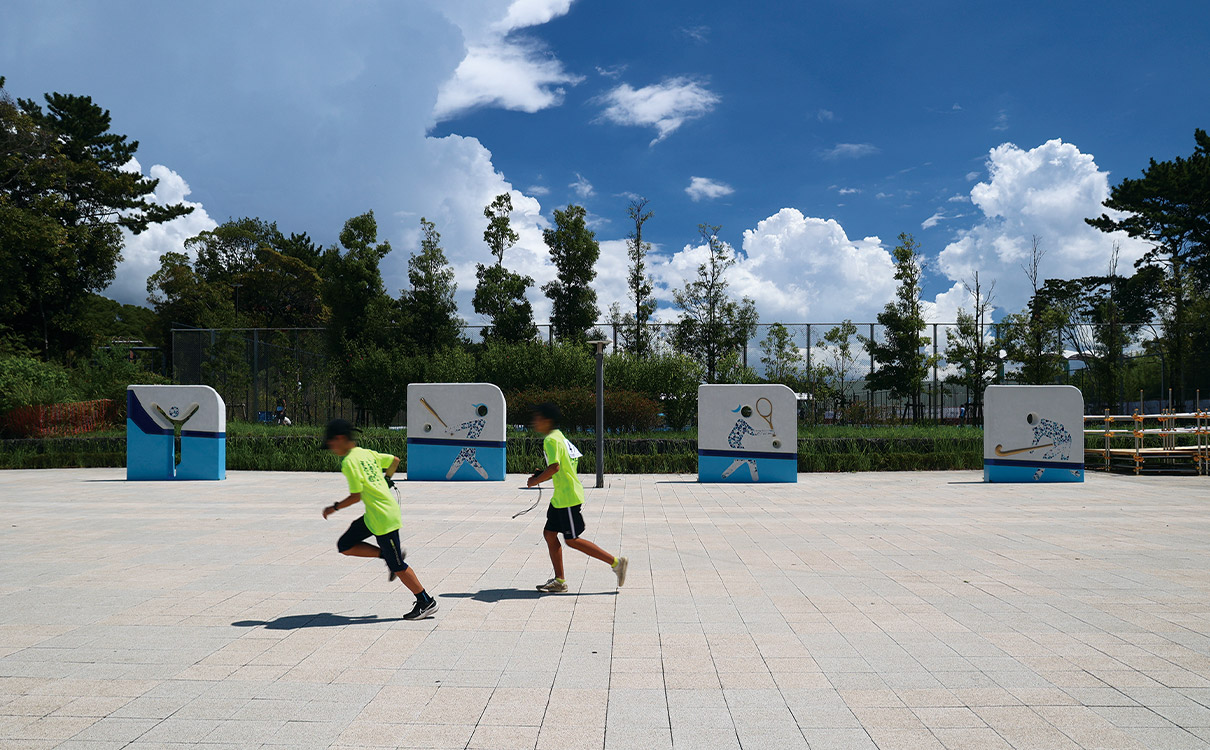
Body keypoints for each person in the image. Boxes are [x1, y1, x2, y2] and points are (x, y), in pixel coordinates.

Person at [320, 418, 437, 620]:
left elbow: (356, 496)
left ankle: (426, 601)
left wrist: (335, 507)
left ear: (339, 439)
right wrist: (387, 480)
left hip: (383, 519)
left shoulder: (349, 462)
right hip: (374, 516)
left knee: (398, 565)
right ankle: (386, 556)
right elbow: (395, 460)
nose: (331, 449)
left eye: (331, 444)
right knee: (345, 545)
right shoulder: (367, 453)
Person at [527, 403, 628, 592]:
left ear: (547, 421)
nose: (535, 422)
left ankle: (616, 563)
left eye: (537, 418)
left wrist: (535, 481)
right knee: (549, 534)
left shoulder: (550, 440)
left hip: (567, 498)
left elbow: (555, 467)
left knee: (572, 540)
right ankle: (559, 581)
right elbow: (563, 466)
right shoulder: (560, 438)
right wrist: (543, 474)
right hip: (561, 498)